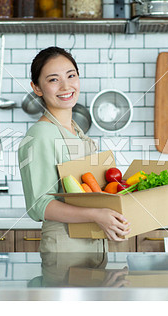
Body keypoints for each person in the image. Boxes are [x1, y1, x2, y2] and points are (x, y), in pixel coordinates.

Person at [18, 46, 130, 253]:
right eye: (53, 80)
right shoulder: (40, 134)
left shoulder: (77, 132)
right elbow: (39, 205)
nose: (66, 86)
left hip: (94, 245)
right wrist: (96, 215)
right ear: (37, 88)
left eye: (71, 76)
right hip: (65, 248)